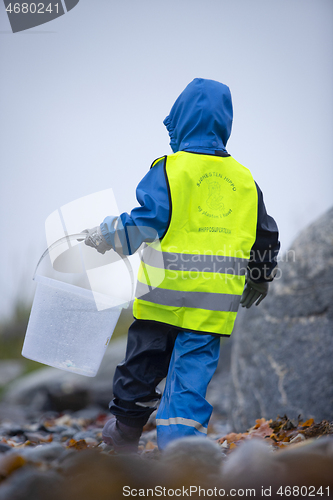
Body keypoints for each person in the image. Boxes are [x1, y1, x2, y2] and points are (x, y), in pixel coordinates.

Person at [83, 78, 280, 452]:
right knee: (191, 380)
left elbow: (144, 222)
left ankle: (123, 433)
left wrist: (106, 236)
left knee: (140, 369)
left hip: (162, 301)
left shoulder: (170, 170)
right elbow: (265, 234)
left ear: (181, 121)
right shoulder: (245, 179)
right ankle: (183, 452)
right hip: (211, 310)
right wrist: (260, 275)